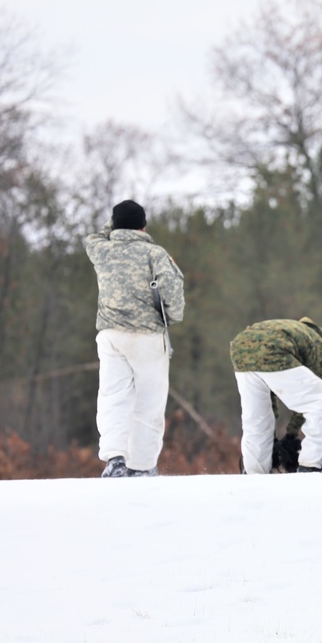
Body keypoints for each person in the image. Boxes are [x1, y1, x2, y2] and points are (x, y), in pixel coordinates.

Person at [84, 200, 185, 478]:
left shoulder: (100, 250)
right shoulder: (155, 253)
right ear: (144, 226)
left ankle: (115, 459)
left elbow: (94, 236)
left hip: (110, 335)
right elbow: (174, 294)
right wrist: (171, 318)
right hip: (147, 337)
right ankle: (141, 467)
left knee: (113, 397)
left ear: (114, 226)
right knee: (149, 402)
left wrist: (115, 227)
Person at [230, 317, 322, 474]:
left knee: (258, 417)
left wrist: (272, 439)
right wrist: (291, 435)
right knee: (320, 399)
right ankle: (312, 462)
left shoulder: (289, 329)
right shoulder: (317, 344)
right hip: (273, 349)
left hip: (240, 349)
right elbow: (308, 401)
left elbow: (269, 397)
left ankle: (254, 469)